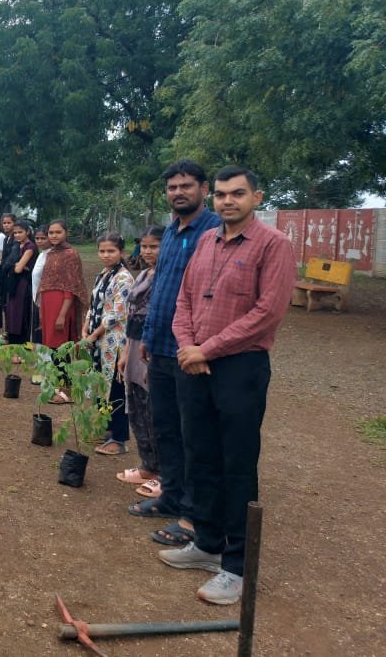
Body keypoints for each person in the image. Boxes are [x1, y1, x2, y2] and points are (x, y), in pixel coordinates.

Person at [159, 166, 293, 605]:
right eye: (220, 194)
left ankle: (236, 565)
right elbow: (184, 298)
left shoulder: (273, 245)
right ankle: (207, 542)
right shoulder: (205, 240)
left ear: (257, 197)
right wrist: (187, 345)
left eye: (237, 193)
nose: (227, 201)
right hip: (194, 364)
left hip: (239, 368)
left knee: (236, 464)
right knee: (200, 455)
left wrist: (207, 349)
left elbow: (267, 313)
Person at [131, 160, 220, 550]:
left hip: (191, 349)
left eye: (186, 186)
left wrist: (199, 346)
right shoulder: (169, 232)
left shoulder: (214, 231)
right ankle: (170, 495)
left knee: (194, 434)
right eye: (172, 187)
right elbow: (162, 287)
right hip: (161, 345)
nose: (178, 192)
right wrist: (149, 335)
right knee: (165, 425)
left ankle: (193, 513)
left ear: (204, 189)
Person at [115, 226, 165, 495]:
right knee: (136, 405)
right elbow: (131, 314)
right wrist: (125, 351)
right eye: (144, 246)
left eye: (153, 246)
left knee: (157, 410)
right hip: (135, 343)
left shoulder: (169, 278)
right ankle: (148, 465)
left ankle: (166, 473)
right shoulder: (144, 274)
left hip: (154, 347)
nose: (147, 251)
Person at [82, 232, 134, 456]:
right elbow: (93, 305)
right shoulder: (103, 274)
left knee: (116, 388)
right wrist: (85, 328)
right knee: (102, 386)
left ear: (121, 252)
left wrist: (93, 334)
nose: (106, 255)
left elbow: (116, 314)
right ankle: (107, 428)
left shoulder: (124, 279)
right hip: (98, 339)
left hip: (115, 342)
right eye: (102, 251)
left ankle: (119, 439)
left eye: (111, 251)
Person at [39, 220, 86, 399]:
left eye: (58, 232)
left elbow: (71, 287)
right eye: (51, 232)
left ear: (66, 233)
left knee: (60, 348)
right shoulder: (50, 253)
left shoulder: (70, 254)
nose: (54, 235)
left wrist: (62, 315)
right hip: (48, 305)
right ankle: (58, 385)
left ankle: (66, 389)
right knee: (52, 348)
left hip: (61, 306)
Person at [2, 221, 37, 345]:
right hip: (13, 283)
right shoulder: (16, 245)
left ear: (27, 232)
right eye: (15, 233)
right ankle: (12, 341)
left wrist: (13, 265)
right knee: (11, 312)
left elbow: (17, 269)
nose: (17, 235)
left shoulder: (30, 247)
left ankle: (22, 345)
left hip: (23, 284)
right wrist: (14, 265)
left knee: (20, 313)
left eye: (20, 232)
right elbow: (9, 265)